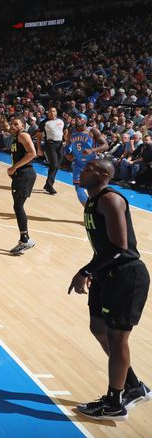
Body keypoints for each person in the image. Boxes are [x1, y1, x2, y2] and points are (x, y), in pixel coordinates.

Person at [68, 159, 151, 420]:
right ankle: (134, 386)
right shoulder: (92, 200)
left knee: (117, 339)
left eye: (90, 168)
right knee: (98, 328)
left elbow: (119, 246)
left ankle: (115, 402)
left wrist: (86, 270)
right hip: (108, 274)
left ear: (104, 174)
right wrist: (98, 270)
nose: (83, 170)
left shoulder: (110, 199)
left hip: (127, 275)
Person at [7, 117, 37, 255]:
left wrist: (14, 167)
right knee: (17, 206)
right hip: (21, 174)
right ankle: (24, 239)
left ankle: (25, 240)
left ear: (22, 125)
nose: (13, 125)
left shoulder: (23, 135)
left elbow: (32, 153)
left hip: (25, 174)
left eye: (16, 124)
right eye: (11, 123)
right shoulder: (16, 138)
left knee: (18, 206)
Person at [65, 113, 108, 205]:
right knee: (78, 188)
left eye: (79, 118)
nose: (77, 119)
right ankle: (88, 209)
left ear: (85, 120)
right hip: (78, 163)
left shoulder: (92, 131)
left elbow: (105, 145)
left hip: (92, 163)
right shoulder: (72, 131)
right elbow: (68, 144)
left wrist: (92, 150)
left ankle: (102, 207)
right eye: (76, 118)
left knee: (94, 189)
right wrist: (67, 153)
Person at [41, 107, 64, 194]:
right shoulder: (44, 122)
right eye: (50, 111)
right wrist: (39, 147)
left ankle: (48, 184)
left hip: (60, 144)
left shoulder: (61, 121)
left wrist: (66, 141)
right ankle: (49, 186)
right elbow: (39, 135)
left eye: (53, 111)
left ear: (56, 113)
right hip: (50, 144)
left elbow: (65, 131)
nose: (52, 112)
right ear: (48, 113)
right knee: (54, 164)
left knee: (57, 165)